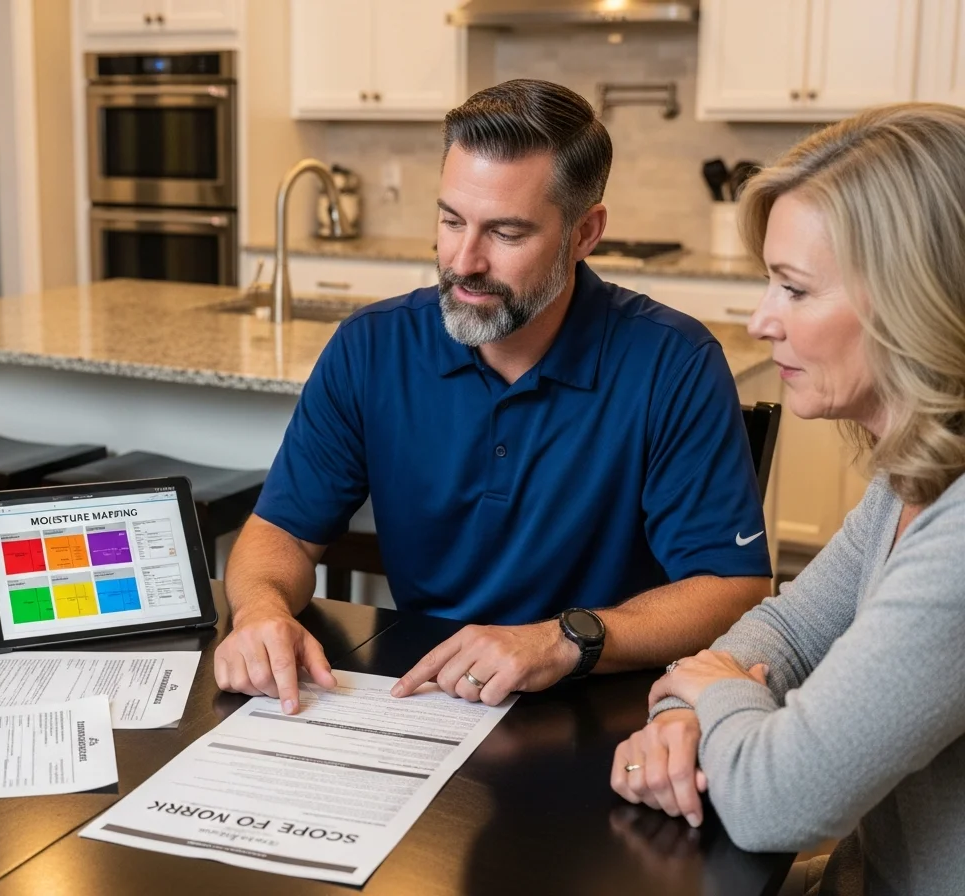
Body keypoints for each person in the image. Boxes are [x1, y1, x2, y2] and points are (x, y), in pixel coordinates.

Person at [214, 80, 772, 715]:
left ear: (585, 233)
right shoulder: (371, 347)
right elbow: (281, 529)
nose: (464, 261)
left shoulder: (673, 362)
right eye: (451, 221)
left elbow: (733, 588)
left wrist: (562, 641)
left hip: (598, 702)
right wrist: (259, 612)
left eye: (506, 233)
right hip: (425, 695)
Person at [610, 103, 965, 896]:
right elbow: (786, 625)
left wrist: (715, 693)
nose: (762, 319)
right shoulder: (911, 480)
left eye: (795, 289)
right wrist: (683, 714)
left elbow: (783, 799)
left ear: (917, 299)